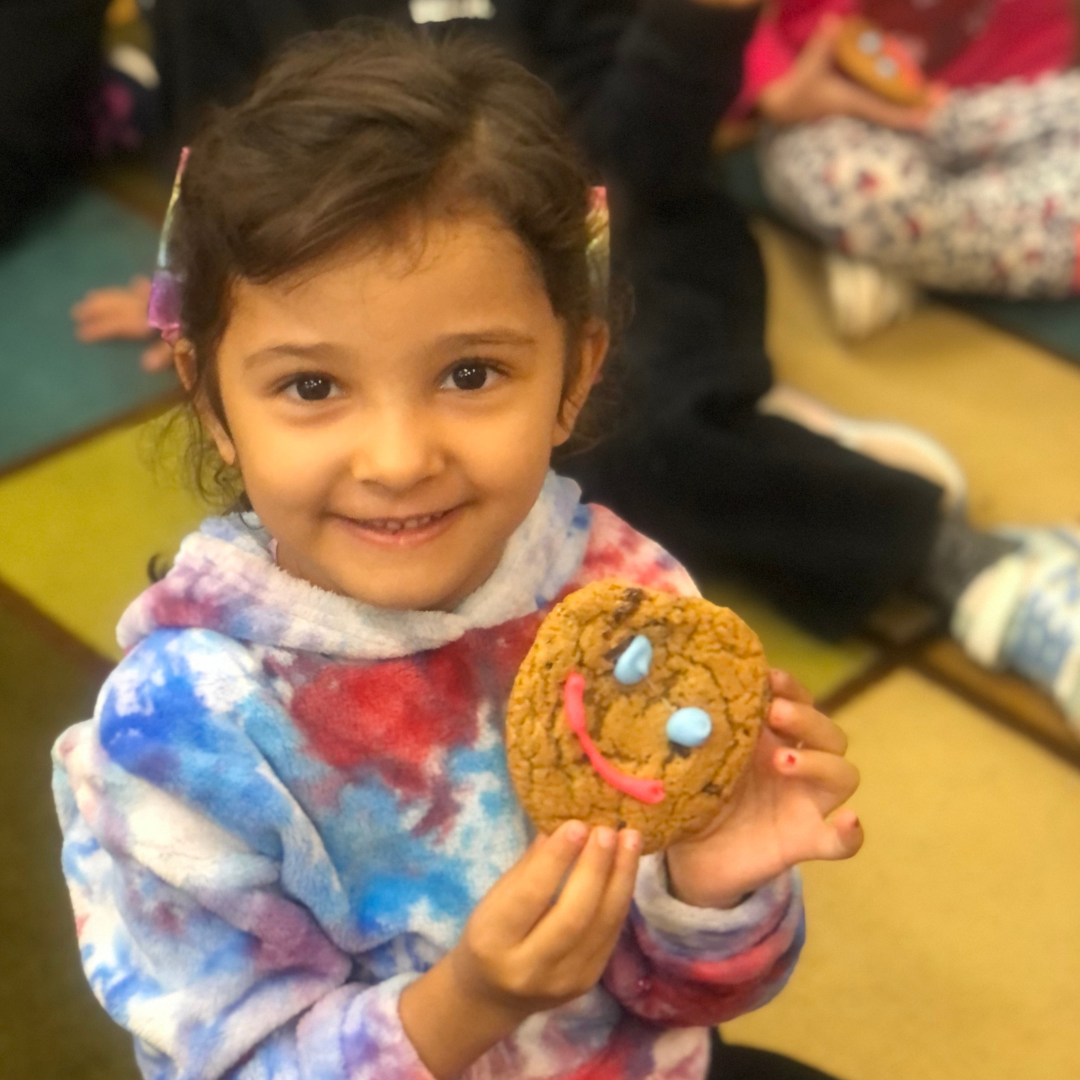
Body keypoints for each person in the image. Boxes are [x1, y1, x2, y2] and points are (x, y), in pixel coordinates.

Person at [52, 26, 864, 1080]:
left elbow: (687, 998)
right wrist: (463, 1005)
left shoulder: (629, 602)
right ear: (212, 401)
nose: (397, 459)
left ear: (575, 372)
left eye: (472, 373)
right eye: (311, 386)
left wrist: (713, 894)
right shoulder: (183, 736)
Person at [738, 0, 1080, 332]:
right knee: (860, 192)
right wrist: (770, 82)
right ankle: (949, 240)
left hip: (1007, 89)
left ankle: (915, 256)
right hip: (831, 107)